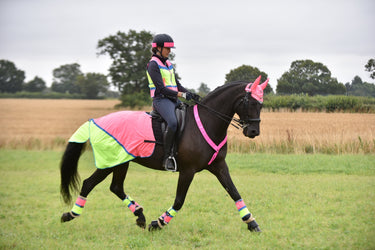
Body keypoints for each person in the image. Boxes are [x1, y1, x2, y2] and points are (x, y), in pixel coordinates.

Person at [146, 34, 197, 171]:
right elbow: (161, 88)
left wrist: (190, 94)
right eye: (167, 49)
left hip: (173, 100)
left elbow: (176, 84)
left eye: (170, 49)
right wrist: (181, 94)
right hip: (161, 100)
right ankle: (167, 157)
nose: (169, 51)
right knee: (173, 123)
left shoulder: (168, 64)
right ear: (158, 48)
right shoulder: (153, 65)